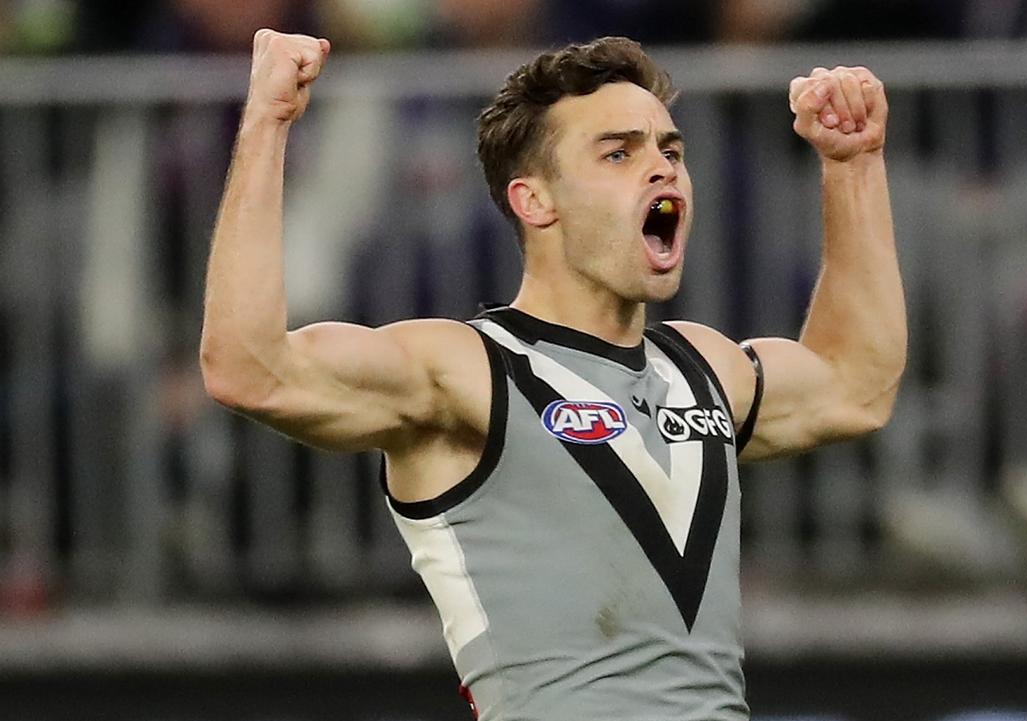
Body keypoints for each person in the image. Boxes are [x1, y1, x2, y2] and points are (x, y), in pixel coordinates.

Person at [200, 30, 906, 721]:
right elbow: (249, 369)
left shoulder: (701, 366)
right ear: (535, 201)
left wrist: (853, 166)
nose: (661, 168)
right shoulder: (468, 369)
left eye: (670, 149)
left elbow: (854, 386)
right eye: (618, 153)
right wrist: (266, 121)